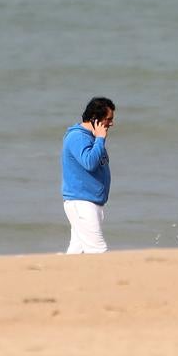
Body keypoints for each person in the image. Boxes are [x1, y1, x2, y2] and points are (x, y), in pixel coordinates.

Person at [61, 96, 115, 254]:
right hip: (82, 202)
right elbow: (89, 163)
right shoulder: (77, 137)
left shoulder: (89, 138)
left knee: (77, 251)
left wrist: (98, 140)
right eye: (108, 119)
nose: (111, 123)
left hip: (90, 202)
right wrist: (100, 139)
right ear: (95, 119)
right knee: (98, 250)